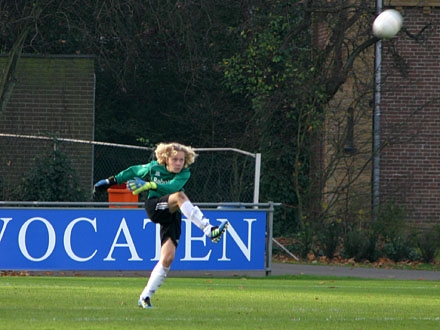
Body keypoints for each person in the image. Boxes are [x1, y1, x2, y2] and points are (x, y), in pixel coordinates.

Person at [93, 142, 228, 309]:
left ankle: (145, 297)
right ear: (166, 159)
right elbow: (134, 171)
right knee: (180, 196)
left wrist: (149, 184)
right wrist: (110, 181)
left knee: (167, 258)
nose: (179, 163)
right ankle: (209, 230)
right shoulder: (153, 168)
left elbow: (172, 187)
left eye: (181, 160)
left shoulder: (184, 173)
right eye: (175, 159)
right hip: (155, 206)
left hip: (172, 213)